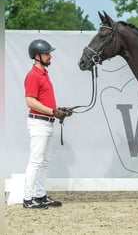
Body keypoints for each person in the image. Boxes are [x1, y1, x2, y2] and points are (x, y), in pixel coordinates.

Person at [23, 39, 72, 209]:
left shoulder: (44, 74)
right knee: (36, 161)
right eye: (47, 53)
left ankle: (39, 195)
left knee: (44, 161)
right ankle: (28, 199)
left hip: (47, 122)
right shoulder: (33, 76)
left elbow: (44, 101)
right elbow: (30, 101)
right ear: (37, 57)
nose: (50, 56)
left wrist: (58, 109)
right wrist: (52, 112)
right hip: (39, 123)